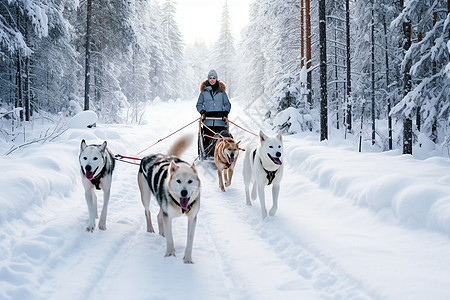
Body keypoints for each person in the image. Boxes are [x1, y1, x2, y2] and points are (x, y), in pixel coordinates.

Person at [196, 69, 231, 157]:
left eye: (214, 78)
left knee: (220, 139)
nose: (212, 80)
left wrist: (225, 112)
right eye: (210, 78)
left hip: (220, 121)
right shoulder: (203, 93)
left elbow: (227, 104)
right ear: (208, 79)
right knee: (208, 139)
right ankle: (208, 153)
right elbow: (199, 104)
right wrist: (202, 111)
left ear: (216, 79)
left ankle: (221, 154)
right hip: (208, 121)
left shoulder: (222, 93)